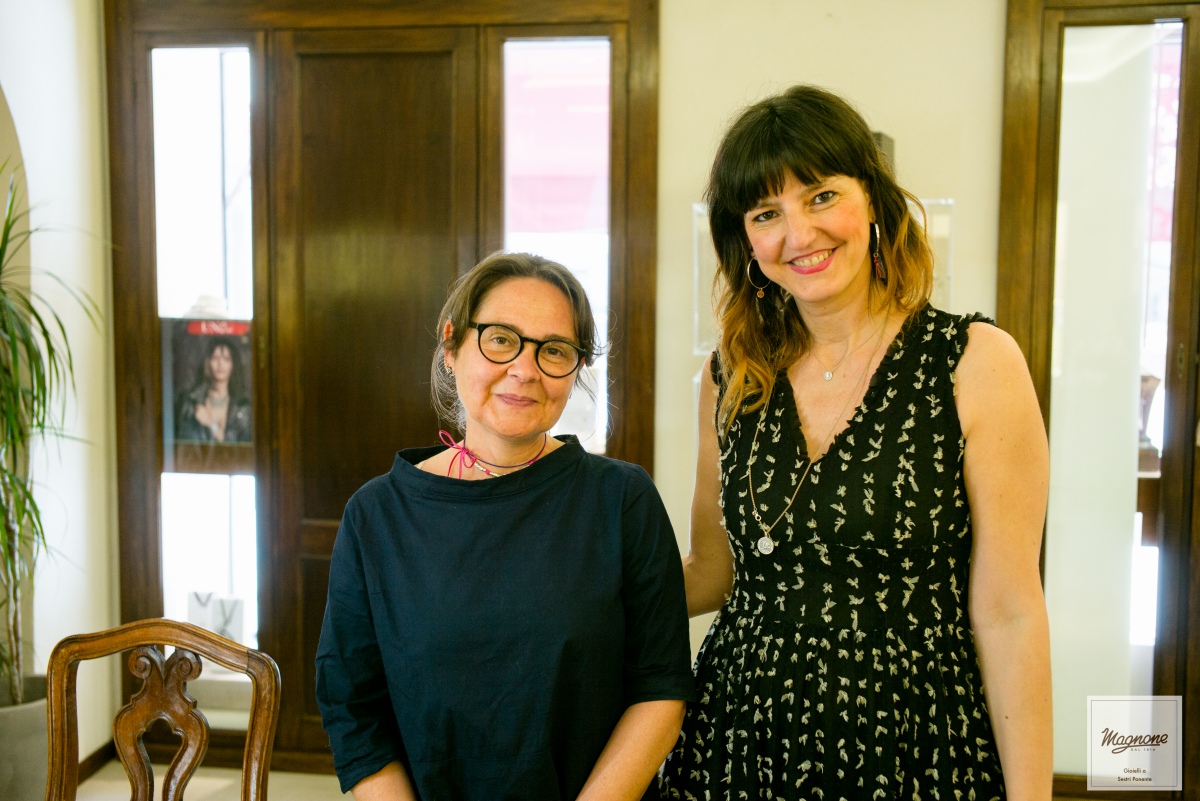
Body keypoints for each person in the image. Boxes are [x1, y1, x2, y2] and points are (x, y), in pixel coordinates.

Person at [659, 85, 1052, 800]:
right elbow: (715, 571)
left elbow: (1010, 613)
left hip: (913, 742)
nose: (799, 234)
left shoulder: (974, 362)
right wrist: (581, 592)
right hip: (739, 744)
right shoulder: (728, 377)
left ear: (873, 199)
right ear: (745, 242)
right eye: (767, 213)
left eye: (821, 196)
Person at [315, 252, 694, 801]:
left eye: (554, 350)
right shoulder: (376, 516)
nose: (524, 369)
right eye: (500, 339)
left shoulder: (622, 499)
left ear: (576, 369)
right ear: (451, 346)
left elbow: (660, 689)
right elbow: (353, 711)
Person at [174, 336, 252, 443]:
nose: (220, 364)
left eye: (226, 359)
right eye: (215, 358)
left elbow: (239, 448)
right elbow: (184, 445)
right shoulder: (191, 403)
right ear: (207, 363)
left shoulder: (242, 407)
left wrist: (210, 424)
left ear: (233, 365)